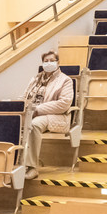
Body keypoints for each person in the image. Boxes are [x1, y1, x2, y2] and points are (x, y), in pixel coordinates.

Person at [23, 49, 74, 179]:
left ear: (58, 62)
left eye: (52, 60)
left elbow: (64, 104)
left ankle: (32, 167)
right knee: (12, 121)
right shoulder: (35, 79)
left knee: (33, 125)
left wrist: (38, 109)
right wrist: (18, 106)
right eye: (46, 61)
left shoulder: (65, 80)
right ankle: (13, 163)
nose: (49, 63)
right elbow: (24, 97)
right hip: (32, 113)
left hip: (57, 116)